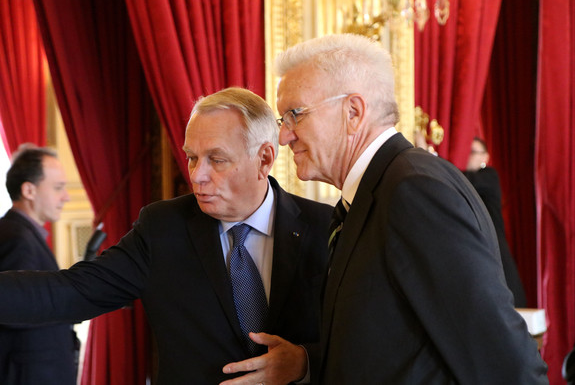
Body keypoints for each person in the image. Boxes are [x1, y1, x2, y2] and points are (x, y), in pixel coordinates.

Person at [224, 34, 548, 384]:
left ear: (353, 112)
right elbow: (392, 347)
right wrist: (306, 362)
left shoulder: (414, 192)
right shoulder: (376, 190)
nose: (284, 136)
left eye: (294, 115)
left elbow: (502, 360)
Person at [0, 88, 332, 384]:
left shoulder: (327, 226)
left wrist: (304, 362)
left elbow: (369, 335)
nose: (197, 176)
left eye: (216, 159)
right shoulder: (163, 227)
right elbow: (70, 292)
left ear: (264, 159)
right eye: (192, 158)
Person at [0, 145, 77, 385]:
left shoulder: (21, 233)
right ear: (29, 190)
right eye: (58, 188)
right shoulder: (15, 237)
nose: (66, 196)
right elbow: (15, 308)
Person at [463, 137, 527, 307]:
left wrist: (432, 157)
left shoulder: (489, 175)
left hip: (493, 243)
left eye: (473, 152)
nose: (468, 156)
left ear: (485, 157)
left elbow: (465, 181)